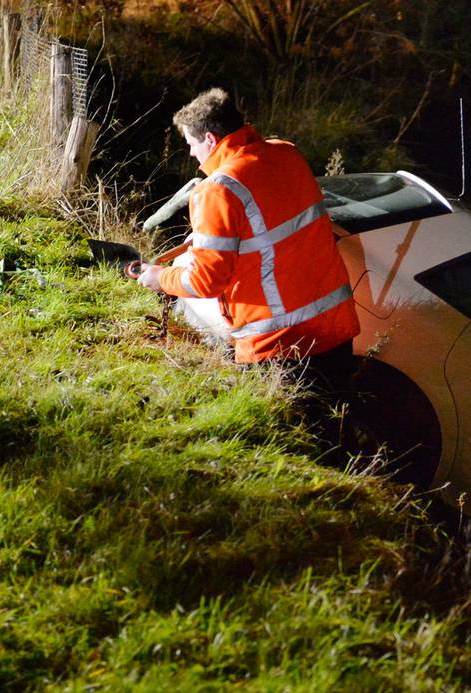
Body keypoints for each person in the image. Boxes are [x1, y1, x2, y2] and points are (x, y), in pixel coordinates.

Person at [138, 87, 361, 459]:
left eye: (191, 144)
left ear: (210, 139)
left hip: (279, 346)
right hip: (335, 329)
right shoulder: (287, 154)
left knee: (287, 453)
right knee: (336, 439)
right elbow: (270, 234)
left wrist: (159, 279)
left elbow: (206, 281)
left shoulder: (217, 190)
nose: (192, 155)